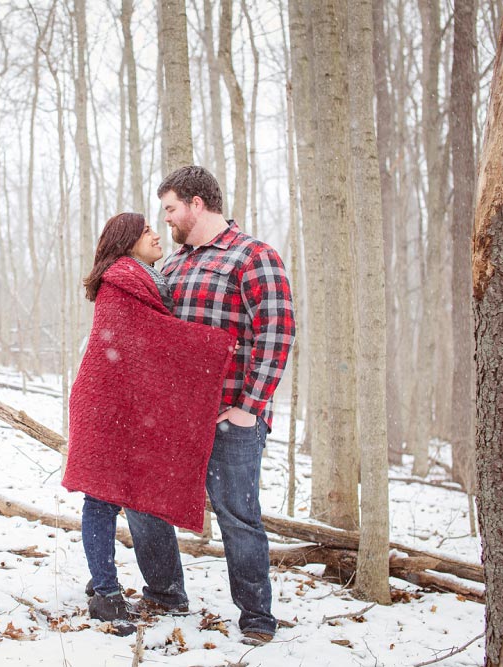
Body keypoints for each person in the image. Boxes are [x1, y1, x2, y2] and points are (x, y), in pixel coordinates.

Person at [124, 166, 295, 646]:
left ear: (197, 204)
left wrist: (250, 407)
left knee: (237, 515)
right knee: (143, 501)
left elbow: (277, 332)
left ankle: (257, 615)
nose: (168, 220)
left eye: (172, 209)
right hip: (174, 417)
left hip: (230, 418)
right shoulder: (173, 266)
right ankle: (164, 592)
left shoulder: (252, 256)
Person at [62, 212, 235, 634]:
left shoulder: (143, 279)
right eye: (145, 231)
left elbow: (147, 345)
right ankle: (105, 593)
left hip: (120, 407)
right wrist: (216, 345)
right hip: (104, 407)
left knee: (117, 494)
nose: (156, 234)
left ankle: (101, 575)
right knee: (101, 499)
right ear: (127, 242)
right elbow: (152, 339)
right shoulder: (122, 281)